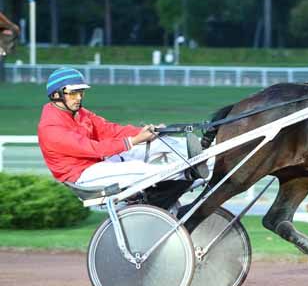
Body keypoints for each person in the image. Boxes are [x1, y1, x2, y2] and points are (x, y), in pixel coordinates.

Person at [37, 67, 207, 208]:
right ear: (56, 95)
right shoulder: (50, 128)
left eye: (81, 92)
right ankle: (186, 175)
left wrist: (147, 132)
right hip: (83, 176)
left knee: (161, 142)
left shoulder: (80, 113)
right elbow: (92, 148)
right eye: (73, 93)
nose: (79, 98)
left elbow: (111, 130)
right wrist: (135, 141)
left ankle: (207, 156)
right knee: (141, 169)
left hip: (103, 162)